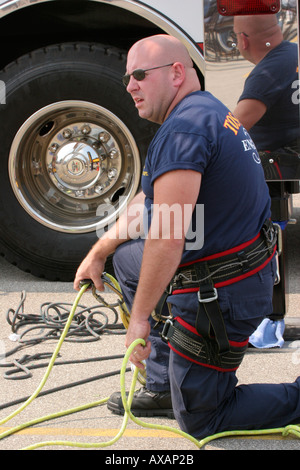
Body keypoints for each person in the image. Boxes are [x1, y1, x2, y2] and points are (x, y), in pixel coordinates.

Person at [74, 34, 300, 440]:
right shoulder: (204, 113)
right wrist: (100, 250)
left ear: (177, 72)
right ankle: (164, 383)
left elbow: (167, 235)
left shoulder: (185, 130)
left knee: (201, 420)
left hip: (225, 293)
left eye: (140, 75)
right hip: (236, 273)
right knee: (127, 259)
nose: (130, 86)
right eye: (128, 77)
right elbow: (152, 198)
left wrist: (139, 320)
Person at [232, 14, 299, 151]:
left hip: (276, 165)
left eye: (235, 36)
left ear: (244, 40)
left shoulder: (265, 76)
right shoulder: (295, 51)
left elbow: (231, 130)